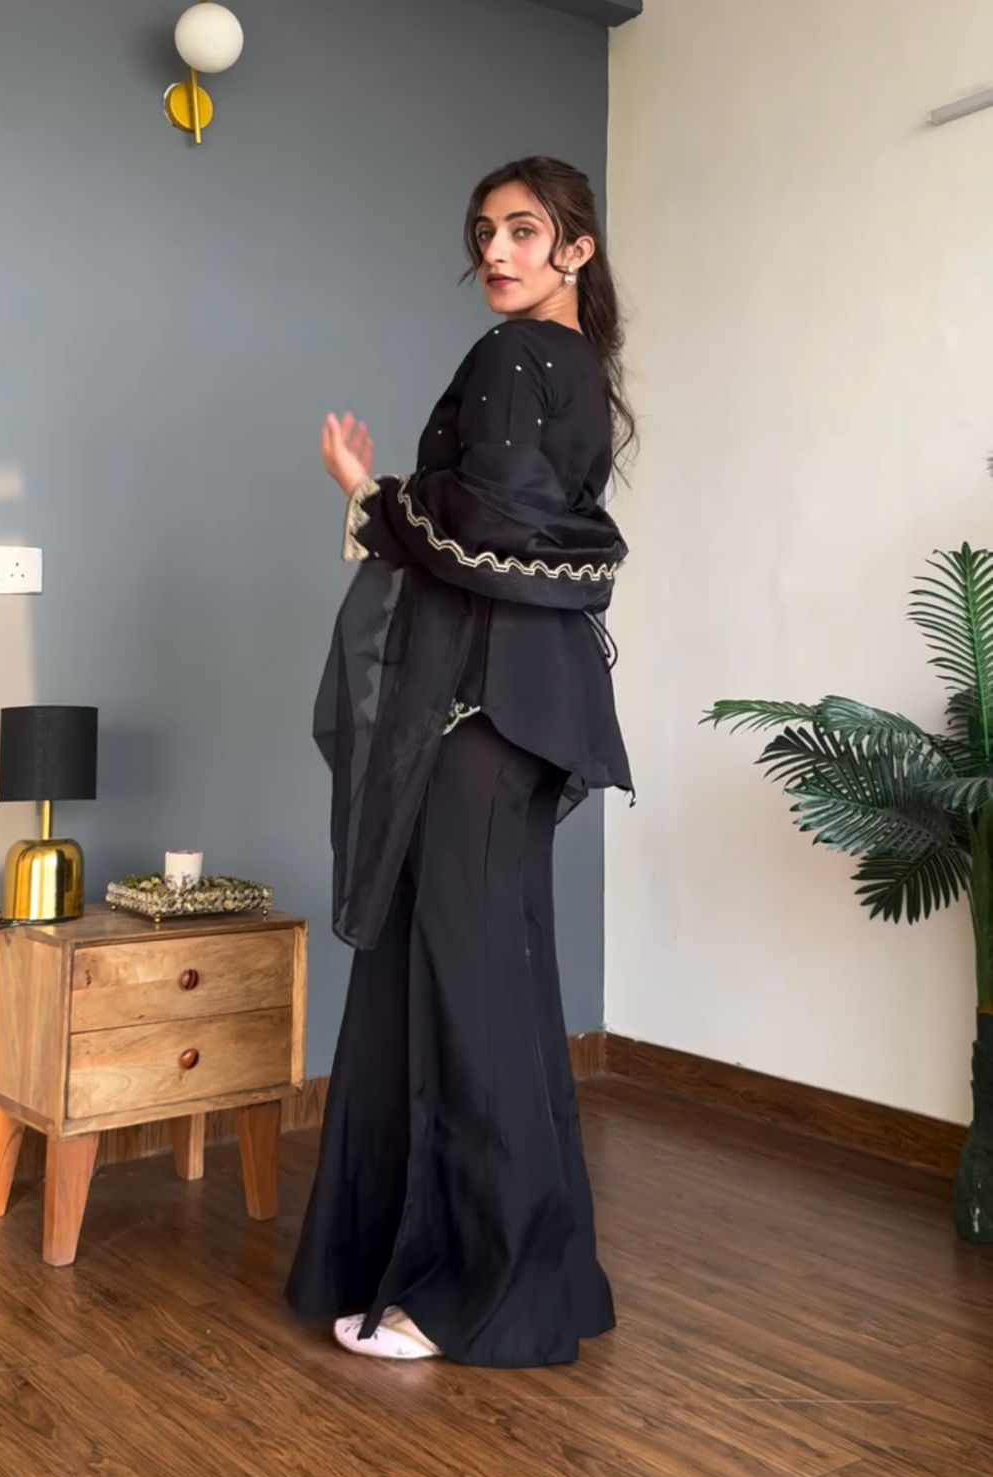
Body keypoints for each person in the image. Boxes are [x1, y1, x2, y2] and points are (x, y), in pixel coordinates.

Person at [285, 155, 634, 1368]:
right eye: (484, 231)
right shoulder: (580, 371)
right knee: (497, 987)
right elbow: (515, 529)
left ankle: (467, 1290)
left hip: (481, 717)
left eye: (524, 231)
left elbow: (484, 529)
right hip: (526, 715)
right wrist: (381, 501)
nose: (495, 251)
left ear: (576, 249)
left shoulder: (514, 356)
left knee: (468, 990)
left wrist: (370, 497)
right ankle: (530, 1276)